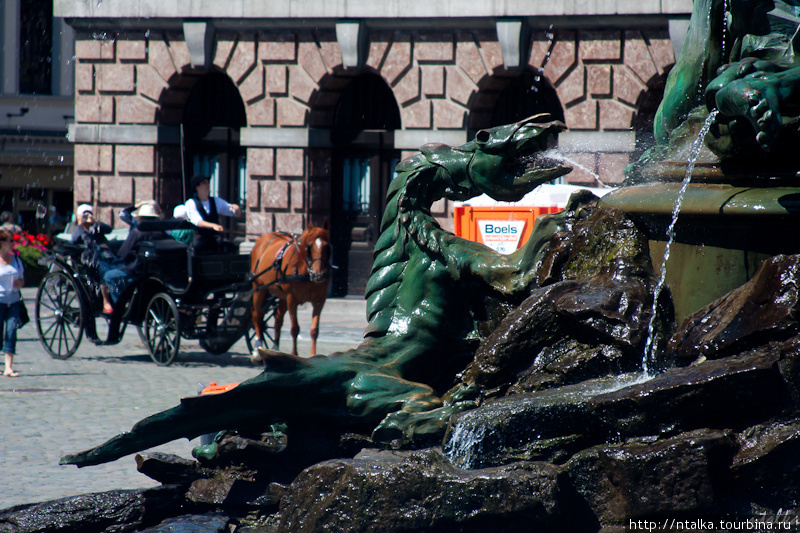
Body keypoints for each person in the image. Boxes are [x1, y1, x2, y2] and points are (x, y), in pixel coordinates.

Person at [100, 203, 170, 313]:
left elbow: (123, 254)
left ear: (141, 217)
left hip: (137, 272)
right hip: (157, 273)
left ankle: (120, 307)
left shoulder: (138, 232)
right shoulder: (162, 233)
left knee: (108, 276)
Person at [184, 174, 241, 255]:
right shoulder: (191, 203)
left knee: (230, 247)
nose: (208, 185)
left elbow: (233, 212)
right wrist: (214, 226)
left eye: (208, 182)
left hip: (215, 239)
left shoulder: (216, 201)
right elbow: (198, 222)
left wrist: (236, 208)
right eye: (204, 183)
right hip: (200, 240)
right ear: (197, 187)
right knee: (196, 248)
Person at [0, 229, 25, 377]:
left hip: (14, 300)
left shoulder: (16, 260)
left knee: (11, 331)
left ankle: (9, 367)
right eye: (9, 240)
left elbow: (22, 280)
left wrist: (18, 283)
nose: (12, 243)